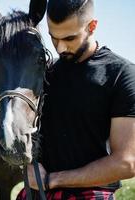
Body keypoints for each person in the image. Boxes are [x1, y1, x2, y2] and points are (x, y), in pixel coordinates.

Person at [21, 0, 135, 199]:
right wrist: (28, 165)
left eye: (70, 38)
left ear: (92, 27)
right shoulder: (47, 73)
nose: (60, 48)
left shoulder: (122, 74)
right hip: (36, 192)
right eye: (53, 38)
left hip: (90, 194)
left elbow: (127, 162)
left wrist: (54, 179)